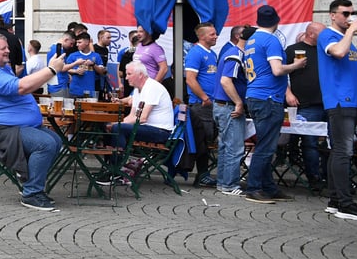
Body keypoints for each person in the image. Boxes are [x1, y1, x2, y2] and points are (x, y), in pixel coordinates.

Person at [0, 32, 66, 211]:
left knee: (56, 140)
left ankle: (27, 178)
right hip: (1, 130)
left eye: (8, 47)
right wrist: (51, 70)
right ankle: (31, 193)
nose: (8, 51)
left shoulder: (2, 68)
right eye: (3, 48)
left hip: (15, 126)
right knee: (45, 144)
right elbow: (23, 86)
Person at [318, 0, 357, 221]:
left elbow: (352, 76)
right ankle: (345, 202)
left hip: (350, 102)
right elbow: (338, 53)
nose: (349, 16)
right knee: (344, 151)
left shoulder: (347, 40)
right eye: (345, 13)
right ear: (333, 15)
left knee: (339, 151)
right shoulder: (329, 35)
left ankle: (335, 199)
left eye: (352, 13)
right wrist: (352, 29)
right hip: (339, 102)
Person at [244, 5, 306, 204]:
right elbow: (277, 70)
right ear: (277, 21)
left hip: (256, 95)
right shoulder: (271, 40)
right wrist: (296, 66)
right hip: (268, 97)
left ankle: (268, 187)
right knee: (266, 147)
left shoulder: (252, 39)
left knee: (265, 143)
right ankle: (254, 188)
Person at [103, 62, 175, 183]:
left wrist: (116, 125)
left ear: (140, 75)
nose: (126, 78)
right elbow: (132, 116)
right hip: (148, 128)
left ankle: (117, 172)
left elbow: (142, 118)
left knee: (118, 129)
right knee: (109, 127)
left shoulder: (152, 87)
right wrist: (114, 124)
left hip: (160, 131)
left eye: (129, 74)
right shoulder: (138, 90)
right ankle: (111, 168)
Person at [211, 25, 254, 196]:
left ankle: (223, 183)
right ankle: (229, 184)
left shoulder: (233, 53)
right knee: (234, 148)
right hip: (228, 106)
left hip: (223, 105)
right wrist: (238, 103)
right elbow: (225, 81)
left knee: (225, 147)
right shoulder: (236, 56)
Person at [284, 21, 327, 189]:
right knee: (310, 143)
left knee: (331, 143)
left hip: (329, 103)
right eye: (321, 34)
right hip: (306, 103)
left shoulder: (326, 50)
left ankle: (329, 176)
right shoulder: (293, 50)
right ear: (311, 34)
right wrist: (288, 93)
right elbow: (279, 73)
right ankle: (314, 178)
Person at [183, 22, 219, 188]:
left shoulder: (212, 53)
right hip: (200, 105)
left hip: (210, 104)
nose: (215, 36)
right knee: (202, 140)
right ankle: (202, 174)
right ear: (202, 36)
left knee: (208, 138)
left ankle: (203, 174)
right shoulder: (196, 53)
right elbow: (190, 79)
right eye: (212, 34)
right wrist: (204, 97)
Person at [64, 32, 104, 99]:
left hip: (90, 92)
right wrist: (76, 71)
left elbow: (102, 72)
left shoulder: (96, 56)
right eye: (77, 43)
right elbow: (65, 69)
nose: (77, 45)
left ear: (87, 42)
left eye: (79, 42)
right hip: (75, 91)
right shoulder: (72, 55)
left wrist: (93, 64)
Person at [45, 32, 76, 96]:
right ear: (66, 40)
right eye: (71, 43)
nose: (72, 46)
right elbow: (61, 68)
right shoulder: (57, 49)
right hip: (58, 86)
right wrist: (76, 63)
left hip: (58, 84)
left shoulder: (58, 48)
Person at [117, 31, 141, 97]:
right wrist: (120, 83)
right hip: (140, 84)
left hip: (129, 84)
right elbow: (120, 73)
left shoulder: (125, 53)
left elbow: (121, 73)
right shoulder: (144, 53)